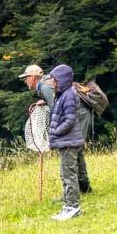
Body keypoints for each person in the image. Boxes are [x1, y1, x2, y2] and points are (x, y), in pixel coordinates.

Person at [47, 64, 87, 220]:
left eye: (54, 80)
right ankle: (68, 205)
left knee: (69, 175)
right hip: (67, 141)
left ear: (62, 80)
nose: (52, 83)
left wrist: (55, 133)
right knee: (66, 174)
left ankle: (72, 208)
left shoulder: (69, 95)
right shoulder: (62, 94)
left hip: (68, 142)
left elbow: (69, 121)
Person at [19, 64, 52, 153]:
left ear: (32, 77)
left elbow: (56, 110)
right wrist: (45, 102)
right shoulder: (44, 87)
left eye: (26, 78)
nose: (25, 81)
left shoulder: (45, 88)